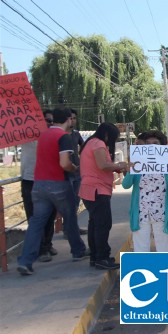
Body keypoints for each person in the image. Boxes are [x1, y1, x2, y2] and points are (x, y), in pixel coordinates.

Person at [17, 108, 89, 276]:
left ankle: (26, 261)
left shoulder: (42, 135)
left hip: (38, 185)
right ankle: (78, 251)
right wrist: (75, 169)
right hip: (58, 184)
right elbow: (64, 163)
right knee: (70, 218)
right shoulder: (62, 137)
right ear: (68, 120)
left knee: (36, 223)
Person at [122, 130, 168, 252]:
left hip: (163, 214)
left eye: (155, 143)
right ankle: (142, 271)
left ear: (162, 146)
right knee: (141, 251)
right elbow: (126, 185)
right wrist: (130, 170)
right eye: (148, 143)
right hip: (141, 215)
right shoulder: (137, 165)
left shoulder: (167, 166)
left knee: (165, 251)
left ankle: (165, 271)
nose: (151, 146)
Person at [79, 123, 127, 270]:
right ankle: (102, 257)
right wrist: (121, 165)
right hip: (97, 189)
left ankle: (96, 257)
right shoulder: (98, 143)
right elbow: (103, 165)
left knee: (95, 224)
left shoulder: (90, 143)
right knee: (103, 224)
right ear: (107, 134)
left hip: (91, 189)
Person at [19, 109, 58, 263]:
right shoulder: (26, 134)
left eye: (51, 121)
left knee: (50, 215)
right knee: (34, 217)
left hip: (49, 180)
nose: (49, 124)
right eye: (46, 120)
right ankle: (40, 250)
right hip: (29, 180)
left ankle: (47, 245)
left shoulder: (54, 137)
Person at [65, 108, 87, 238]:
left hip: (77, 172)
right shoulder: (61, 134)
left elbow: (84, 147)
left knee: (76, 202)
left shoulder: (76, 134)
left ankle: (73, 228)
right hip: (65, 172)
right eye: (70, 118)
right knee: (68, 203)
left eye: (74, 118)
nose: (72, 120)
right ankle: (68, 229)